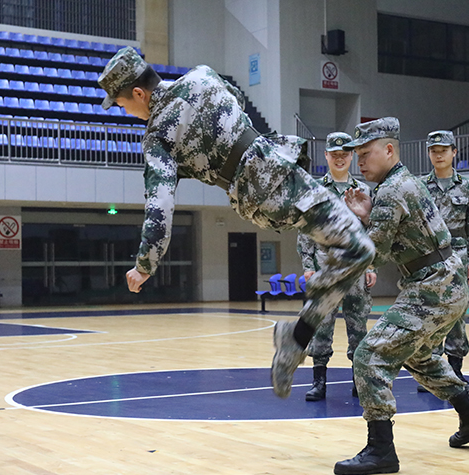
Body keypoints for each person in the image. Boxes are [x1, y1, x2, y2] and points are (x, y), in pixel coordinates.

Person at [97, 47, 374, 397]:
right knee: (356, 247)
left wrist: (144, 265)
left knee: (355, 251)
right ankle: (297, 336)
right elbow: (238, 101)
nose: (128, 112)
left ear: (139, 93)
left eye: (123, 105)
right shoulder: (201, 73)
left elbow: (159, 206)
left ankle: (297, 336)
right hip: (271, 170)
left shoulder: (157, 138)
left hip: (262, 187)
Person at [334, 118, 469, 475]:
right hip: (443, 284)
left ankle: (381, 450)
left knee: (370, 354)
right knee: (420, 356)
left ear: (389, 150)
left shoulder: (392, 192)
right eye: (356, 155)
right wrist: (366, 215)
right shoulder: (402, 184)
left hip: (432, 287)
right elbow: (392, 243)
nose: (359, 162)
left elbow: (372, 252)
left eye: (366, 154)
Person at [297, 132, 376, 401]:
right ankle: (319, 382)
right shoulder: (315, 190)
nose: (340, 159)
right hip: (325, 266)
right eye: (335, 154)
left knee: (359, 328)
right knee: (321, 326)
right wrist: (308, 266)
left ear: (352, 156)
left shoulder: (364, 191)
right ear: (327, 156)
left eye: (345, 154)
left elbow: (372, 232)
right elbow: (305, 230)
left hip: (356, 269)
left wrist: (372, 266)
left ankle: (359, 380)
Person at [416, 130, 469, 393]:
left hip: (458, 255)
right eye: (434, 150)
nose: (438, 154)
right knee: (430, 314)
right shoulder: (420, 186)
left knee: (456, 314)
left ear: (454, 152)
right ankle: (431, 371)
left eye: (443, 149)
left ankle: (455, 369)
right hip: (430, 256)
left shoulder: (467, 187)